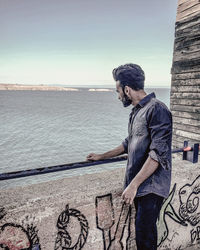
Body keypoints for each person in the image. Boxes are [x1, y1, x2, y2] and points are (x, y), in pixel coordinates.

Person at [87, 63, 172, 250]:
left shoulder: (157, 110)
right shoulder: (137, 112)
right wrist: (102, 156)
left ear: (126, 89)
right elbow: (128, 144)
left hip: (151, 187)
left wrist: (133, 185)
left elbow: (157, 154)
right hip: (140, 187)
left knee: (145, 239)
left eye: (118, 91)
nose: (118, 96)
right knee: (143, 236)